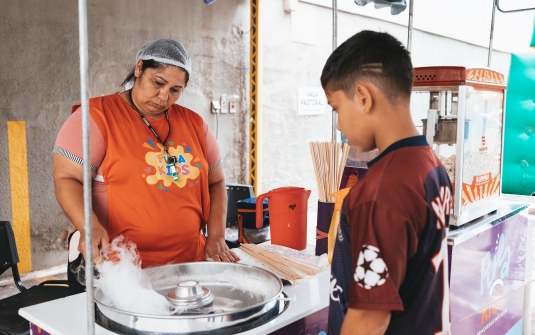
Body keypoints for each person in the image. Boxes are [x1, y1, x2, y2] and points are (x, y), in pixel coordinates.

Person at [53, 39, 238, 291]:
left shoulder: (194, 124)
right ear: (139, 68)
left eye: (175, 90)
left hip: (188, 264)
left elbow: (216, 181)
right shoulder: (96, 117)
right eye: (158, 83)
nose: (163, 97)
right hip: (117, 266)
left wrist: (216, 236)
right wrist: (90, 226)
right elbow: (67, 179)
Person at [321, 31, 451, 335]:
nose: (339, 124)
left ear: (364, 98)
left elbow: (370, 319)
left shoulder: (381, 192)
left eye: (336, 108)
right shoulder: (430, 165)